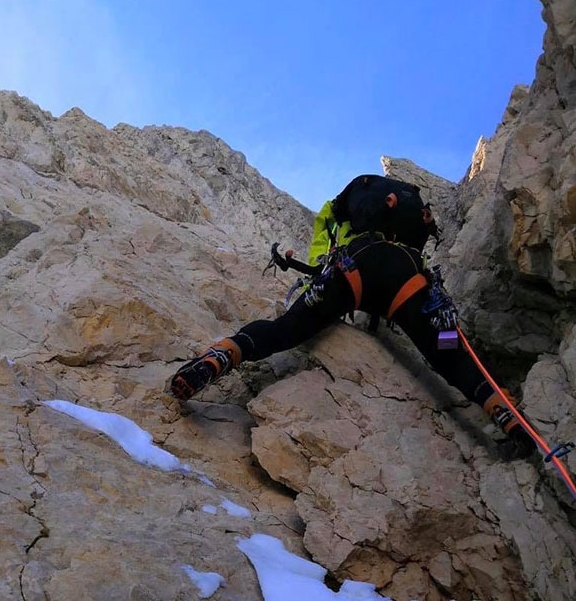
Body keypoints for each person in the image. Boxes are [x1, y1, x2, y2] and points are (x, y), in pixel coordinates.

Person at [168, 174, 538, 460]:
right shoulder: (413, 213)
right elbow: (420, 251)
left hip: (352, 266)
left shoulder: (350, 200)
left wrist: (313, 267)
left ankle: (222, 354)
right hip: (406, 278)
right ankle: (499, 408)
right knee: (448, 351)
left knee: (284, 330)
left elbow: (325, 238)